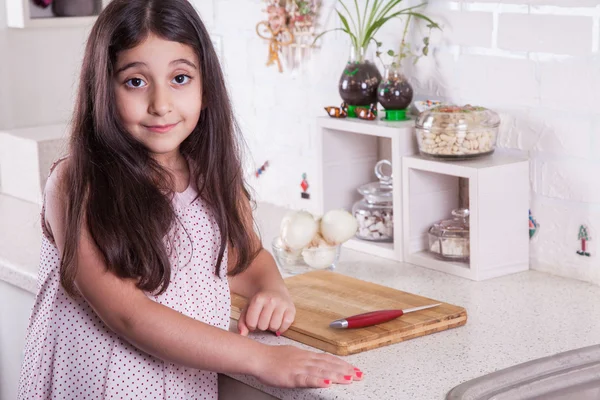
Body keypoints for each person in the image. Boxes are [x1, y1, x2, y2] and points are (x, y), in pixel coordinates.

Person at [17, 0, 363, 398]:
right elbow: (128, 315)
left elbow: (246, 260)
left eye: (180, 78)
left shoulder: (212, 178)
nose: (161, 104)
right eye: (135, 81)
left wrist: (271, 289)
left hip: (180, 385)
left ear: (206, 88)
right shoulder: (74, 184)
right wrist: (262, 358)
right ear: (102, 88)